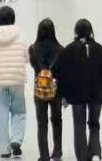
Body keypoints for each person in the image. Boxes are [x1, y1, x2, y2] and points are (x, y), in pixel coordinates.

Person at [51, 18, 102, 161]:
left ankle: (82, 157)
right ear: (91, 32)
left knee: (79, 125)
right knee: (94, 124)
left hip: (77, 95)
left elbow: (55, 71)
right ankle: (95, 153)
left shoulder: (69, 49)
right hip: (96, 94)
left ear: (76, 32)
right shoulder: (98, 48)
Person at [0, 6, 31, 161]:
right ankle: (16, 140)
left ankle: (4, 149)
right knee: (19, 110)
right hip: (17, 78)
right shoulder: (20, 34)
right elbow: (27, 56)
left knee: (1, 112)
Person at [29, 19, 64, 161]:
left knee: (42, 124)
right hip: (56, 89)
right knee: (57, 120)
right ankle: (57, 151)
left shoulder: (33, 48)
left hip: (40, 90)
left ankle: (44, 155)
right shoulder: (61, 49)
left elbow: (34, 66)